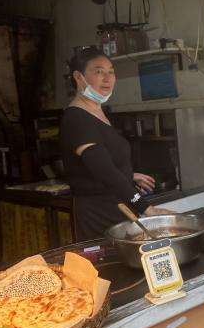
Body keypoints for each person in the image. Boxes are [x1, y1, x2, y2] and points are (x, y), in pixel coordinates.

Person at [61, 47, 158, 240]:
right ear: (79, 77)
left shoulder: (97, 113)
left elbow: (105, 158)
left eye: (111, 72)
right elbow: (105, 171)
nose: (107, 78)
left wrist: (129, 175)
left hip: (117, 208)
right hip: (98, 215)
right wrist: (146, 208)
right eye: (99, 72)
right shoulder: (77, 118)